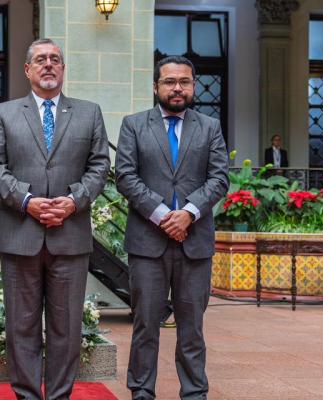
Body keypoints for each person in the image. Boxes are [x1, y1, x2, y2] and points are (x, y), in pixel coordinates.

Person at [0, 38, 110, 399]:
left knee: (66, 328)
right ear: (28, 70)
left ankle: (59, 395)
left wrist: (73, 201)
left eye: (55, 59)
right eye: (41, 59)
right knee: (21, 327)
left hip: (69, 237)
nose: (49, 65)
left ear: (64, 68)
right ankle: (26, 394)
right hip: (20, 235)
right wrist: (27, 201)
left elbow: (100, 166)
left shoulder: (89, 112)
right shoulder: (4, 113)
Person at [115, 55, 229, 400]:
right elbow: (125, 176)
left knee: (192, 327)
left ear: (194, 86)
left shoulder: (209, 127)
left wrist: (189, 213)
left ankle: (194, 392)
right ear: (155, 87)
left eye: (184, 81)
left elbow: (220, 177)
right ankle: (141, 391)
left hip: (195, 244)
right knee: (146, 324)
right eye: (169, 81)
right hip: (148, 243)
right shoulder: (134, 125)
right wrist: (164, 214)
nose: (177, 88)